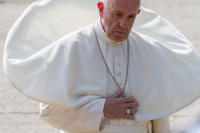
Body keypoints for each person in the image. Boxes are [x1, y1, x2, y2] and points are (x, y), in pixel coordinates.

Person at [3, 0, 200, 132]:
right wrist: (102, 110)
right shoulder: (71, 48)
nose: (123, 25)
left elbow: (159, 111)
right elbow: (48, 112)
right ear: (100, 9)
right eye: (117, 15)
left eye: (131, 17)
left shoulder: (149, 51)